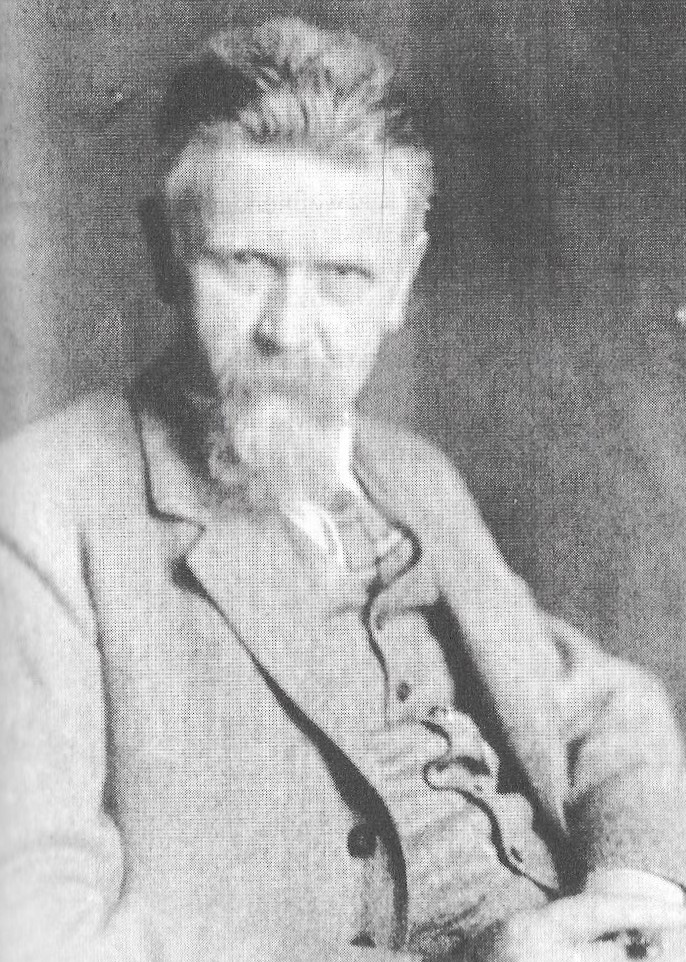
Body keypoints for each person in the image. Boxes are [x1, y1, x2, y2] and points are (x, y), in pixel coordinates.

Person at [1, 16, 685, 962]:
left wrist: (636, 888)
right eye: (247, 263)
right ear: (165, 252)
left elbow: (600, 705)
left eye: (341, 276)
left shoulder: (410, 475)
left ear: (400, 284)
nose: (289, 330)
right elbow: (44, 940)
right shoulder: (45, 509)